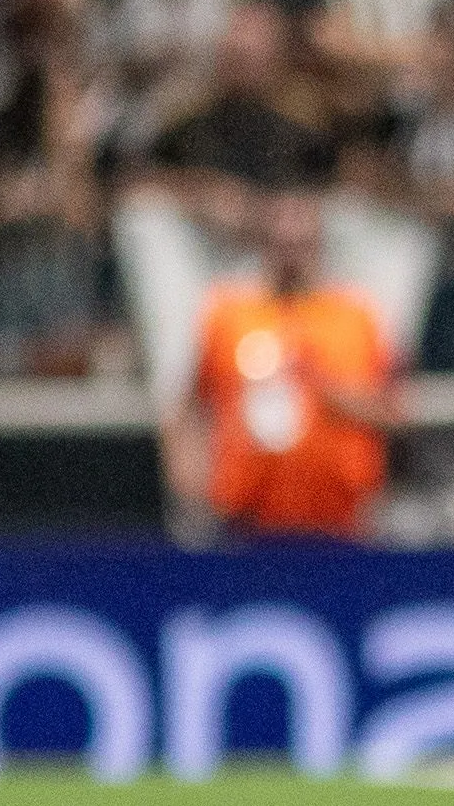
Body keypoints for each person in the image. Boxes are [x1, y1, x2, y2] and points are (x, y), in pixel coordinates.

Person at [161, 181, 396, 542]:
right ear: (262, 245)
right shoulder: (229, 313)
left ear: (318, 244)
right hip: (244, 518)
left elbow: (390, 409)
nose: (291, 256)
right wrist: (187, 472)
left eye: (300, 245)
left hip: (340, 519)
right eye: (280, 244)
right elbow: (191, 402)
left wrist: (319, 383)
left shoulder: (354, 314)